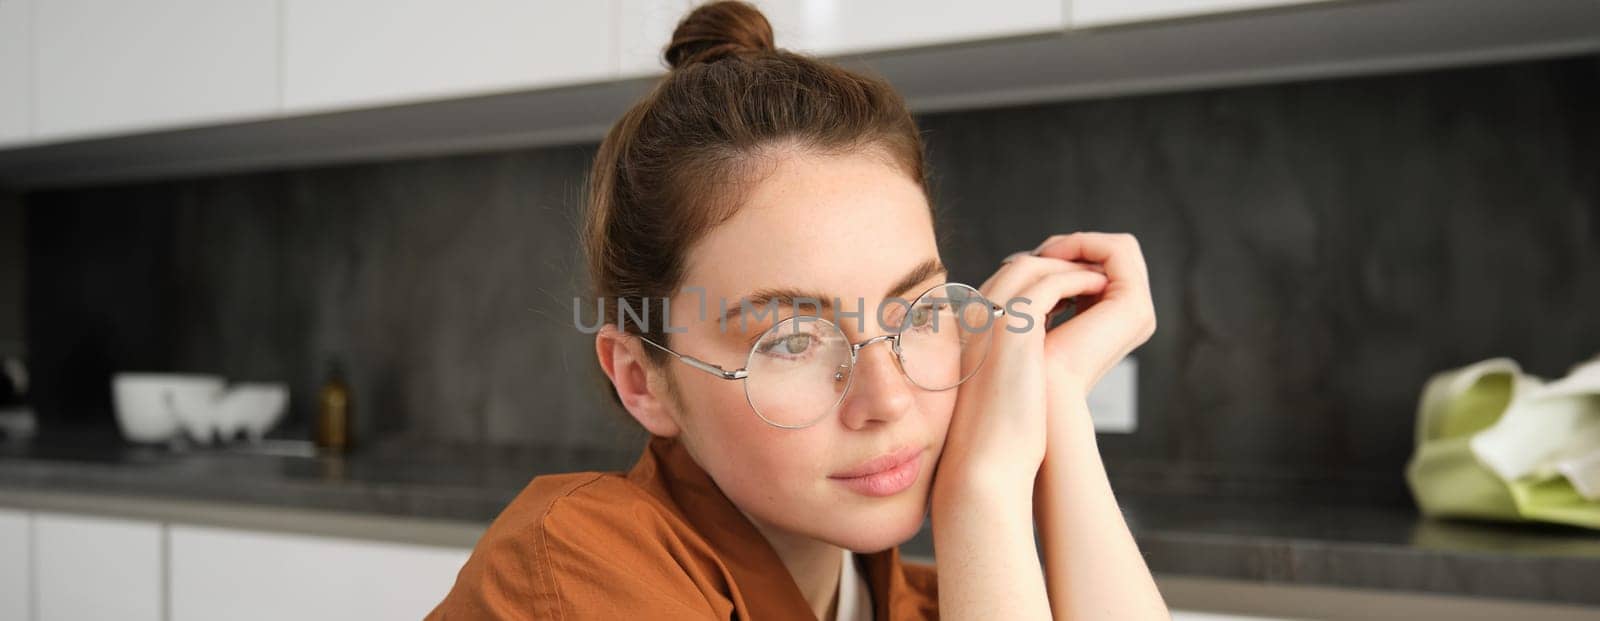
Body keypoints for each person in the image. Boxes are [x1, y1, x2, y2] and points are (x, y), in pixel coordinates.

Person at [428, 2, 1166, 619]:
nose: (889, 398)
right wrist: (986, 488)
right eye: (791, 340)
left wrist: (1054, 402)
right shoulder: (566, 574)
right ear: (642, 378)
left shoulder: (921, 599)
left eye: (917, 313)